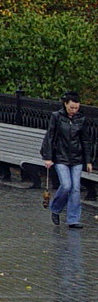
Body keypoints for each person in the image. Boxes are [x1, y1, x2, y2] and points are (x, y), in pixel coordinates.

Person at [42, 92, 95, 229]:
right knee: (66, 185)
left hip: (77, 158)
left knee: (75, 188)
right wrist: (48, 157)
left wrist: (88, 161)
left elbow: (85, 140)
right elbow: (50, 136)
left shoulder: (81, 119)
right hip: (61, 157)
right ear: (65, 104)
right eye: (71, 107)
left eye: (76, 107)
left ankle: (73, 219)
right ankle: (55, 208)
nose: (74, 110)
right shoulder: (57, 117)